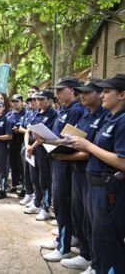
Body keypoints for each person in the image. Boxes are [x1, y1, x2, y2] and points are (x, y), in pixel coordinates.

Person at [69, 74, 125, 274]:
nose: (102, 95)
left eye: (107, 91)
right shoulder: (110, 118)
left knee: (109, 239)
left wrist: (89, 146)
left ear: (122, 95)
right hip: (94, 185)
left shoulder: (123, 120)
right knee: (97, 236)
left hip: (110, 189)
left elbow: (123, 161)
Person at [52, 80, 108, 271]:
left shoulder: (106, 117)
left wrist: (64, 155)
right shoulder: (85, 115)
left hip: (91, 174)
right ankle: (85, 254)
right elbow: (75, 139)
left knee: (93, 221)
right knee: (80, 216)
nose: (81, 95)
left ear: (99, 94)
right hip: (78, 171)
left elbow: (91, 149)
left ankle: (95, 261)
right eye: (80, 92)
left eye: (86, 92)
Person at [42, 77, 85, 262]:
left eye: (61, 89)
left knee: (63, 203)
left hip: (67, 162)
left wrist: (53, 141)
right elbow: (57, 134)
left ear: (72, 90)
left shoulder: (77, 110)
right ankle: (65, 237)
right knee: (61, 203)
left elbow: (72, 140)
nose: (57, 93)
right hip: (58, 159)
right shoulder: (64, 109)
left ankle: (64, 246)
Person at [23, 91, 57, 220]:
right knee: (34, 177)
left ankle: (46, 207)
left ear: (49, 100)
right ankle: (37, 202)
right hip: (32, 150)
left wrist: (33, 146)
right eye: (37, 99)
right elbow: (28, 130)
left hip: (43, 151)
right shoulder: (35, 114)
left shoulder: (53, 115)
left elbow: (44, 136)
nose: (39, 101)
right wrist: (27, 146)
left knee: (45, 180)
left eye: (41, 99)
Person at [18, 93, 39, 206]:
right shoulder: (29, 113)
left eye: (35, 100)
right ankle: (28, 193)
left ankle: (36, 196)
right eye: (30, 100)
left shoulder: (39, 114)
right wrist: (26, 145)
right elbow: (24, 128)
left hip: (36, 145)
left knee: (34, 173)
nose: (32, 102)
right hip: (26, 144)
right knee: (26, 171)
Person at [7, 94, 26, 195]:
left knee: (22, 165)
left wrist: (19, 130)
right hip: (11, 142)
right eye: (13, 101)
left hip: (22, 141)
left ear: (22, 102)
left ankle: (24, 186)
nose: (14, 103)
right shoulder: (9, 114)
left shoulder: (26, 113)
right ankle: (14, 184)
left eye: (17, 101)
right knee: (13, 164)